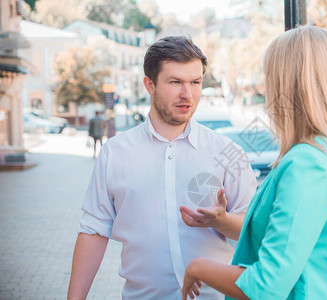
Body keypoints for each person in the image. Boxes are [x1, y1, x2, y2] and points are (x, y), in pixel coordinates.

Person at [181, 25, 327, 300]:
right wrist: (223, 222)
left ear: (287, 87)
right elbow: (294, 238)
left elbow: (265, 287)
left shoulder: (308, 166)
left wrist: (198, 267)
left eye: (270, 79)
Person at [67, 36, 257, 299]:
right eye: (175, 82)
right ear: (150, 85)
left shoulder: (227, 152)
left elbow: (254, 231)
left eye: (195, 82)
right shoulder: (115, 153)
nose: (187, 94)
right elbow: (94, 230)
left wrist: (223, 222)